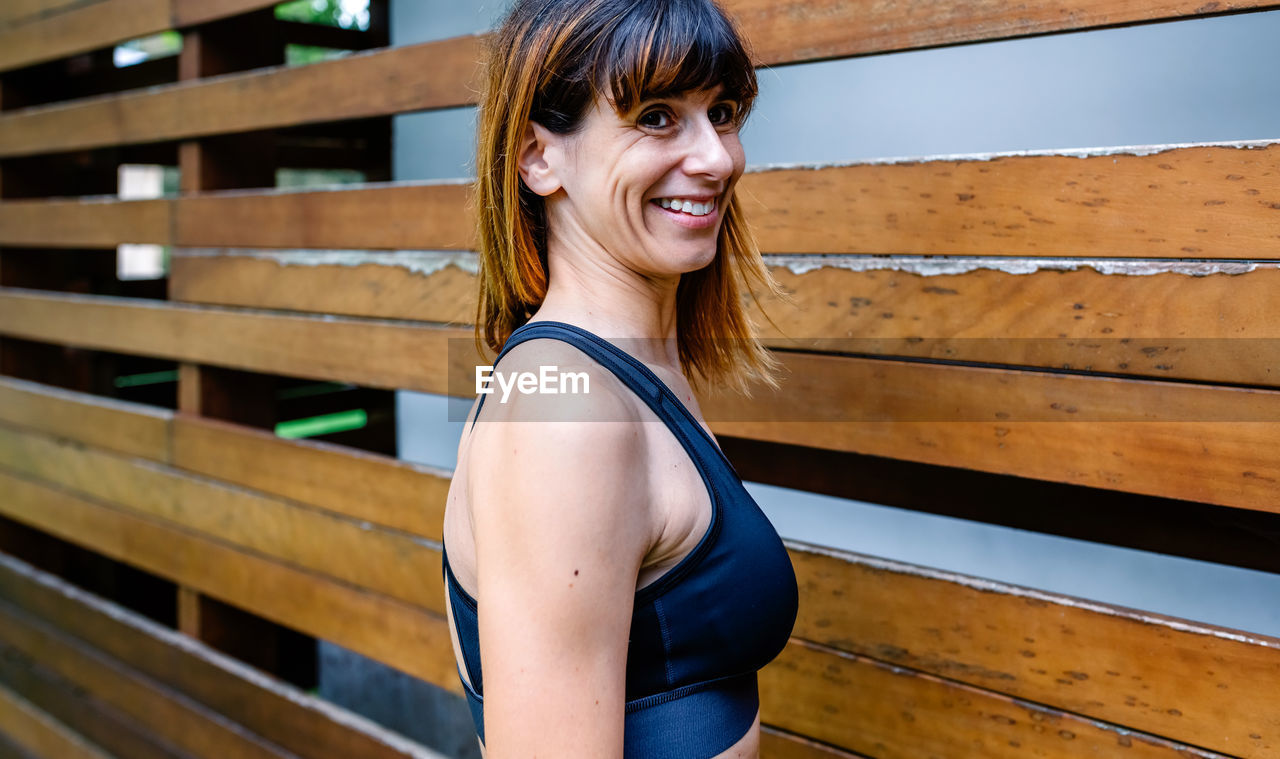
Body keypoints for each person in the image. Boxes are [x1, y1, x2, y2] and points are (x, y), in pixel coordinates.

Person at [441, 1, 799, 756]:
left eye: (723, 111)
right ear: (540, 157)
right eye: (658, 117)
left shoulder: (616, 372)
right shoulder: (565, 419)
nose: (717, 158)